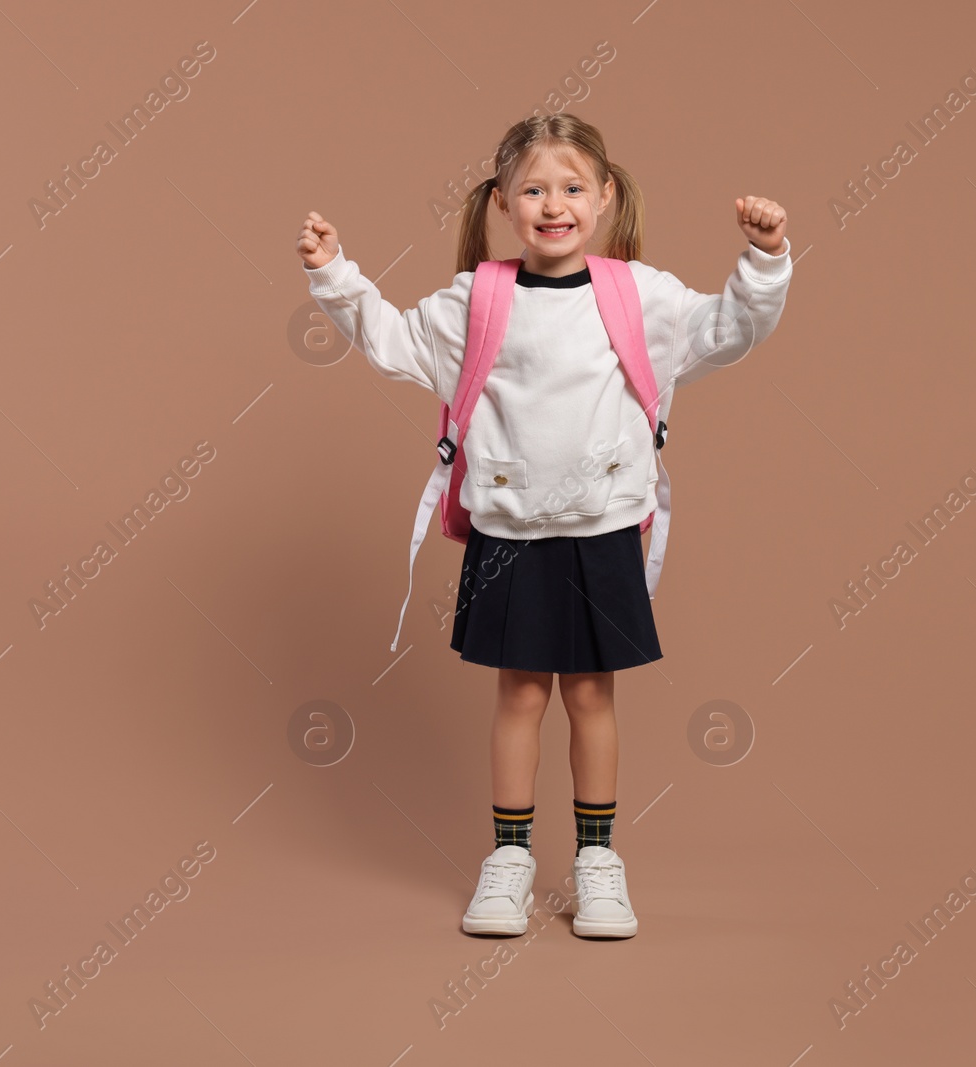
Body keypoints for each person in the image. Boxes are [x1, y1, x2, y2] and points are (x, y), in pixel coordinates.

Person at [295, 113, 792, 940]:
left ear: (604, 197)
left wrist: (764, 262)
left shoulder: (640, 297)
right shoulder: (476, 301)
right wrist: (335, 274)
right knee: (520, 693)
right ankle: (510, 859)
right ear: (501, 202)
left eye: (570, 187)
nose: (551, 204)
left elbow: (729, 329)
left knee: (592, 696)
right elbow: (391, 340)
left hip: (602, 530)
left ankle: (598, 862)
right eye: (532, 188)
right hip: (509, 532)